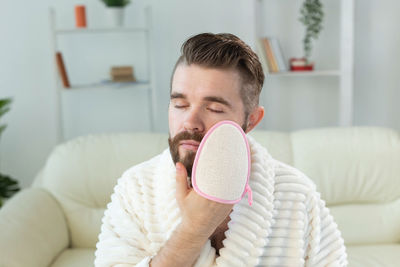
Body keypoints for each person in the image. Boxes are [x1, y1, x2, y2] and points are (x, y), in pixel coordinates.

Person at [95, 33, 347, 267]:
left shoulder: (296, 194)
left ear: (251, 121)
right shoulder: (136, 189)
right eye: (180, 104)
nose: (190, 121)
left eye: (214, 109)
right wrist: (194, 230)